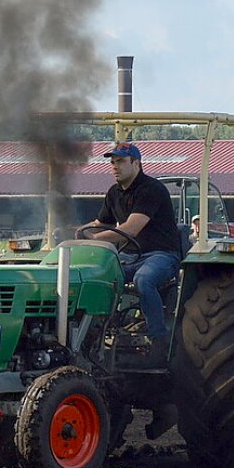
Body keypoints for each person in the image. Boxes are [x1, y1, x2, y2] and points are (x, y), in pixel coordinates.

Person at [75, 143, 183, 359]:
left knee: (144, 280)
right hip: (130, 255)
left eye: (121, 161)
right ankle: (94, 337)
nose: (115, 166)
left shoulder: (151, 189)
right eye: (113, 162)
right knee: (97, 278)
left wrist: (95, 238)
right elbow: (99, 223)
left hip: (161, 254)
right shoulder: (114, 193)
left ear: (136, 163)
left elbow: (131, 229)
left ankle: (158, 340)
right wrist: (78, 232)